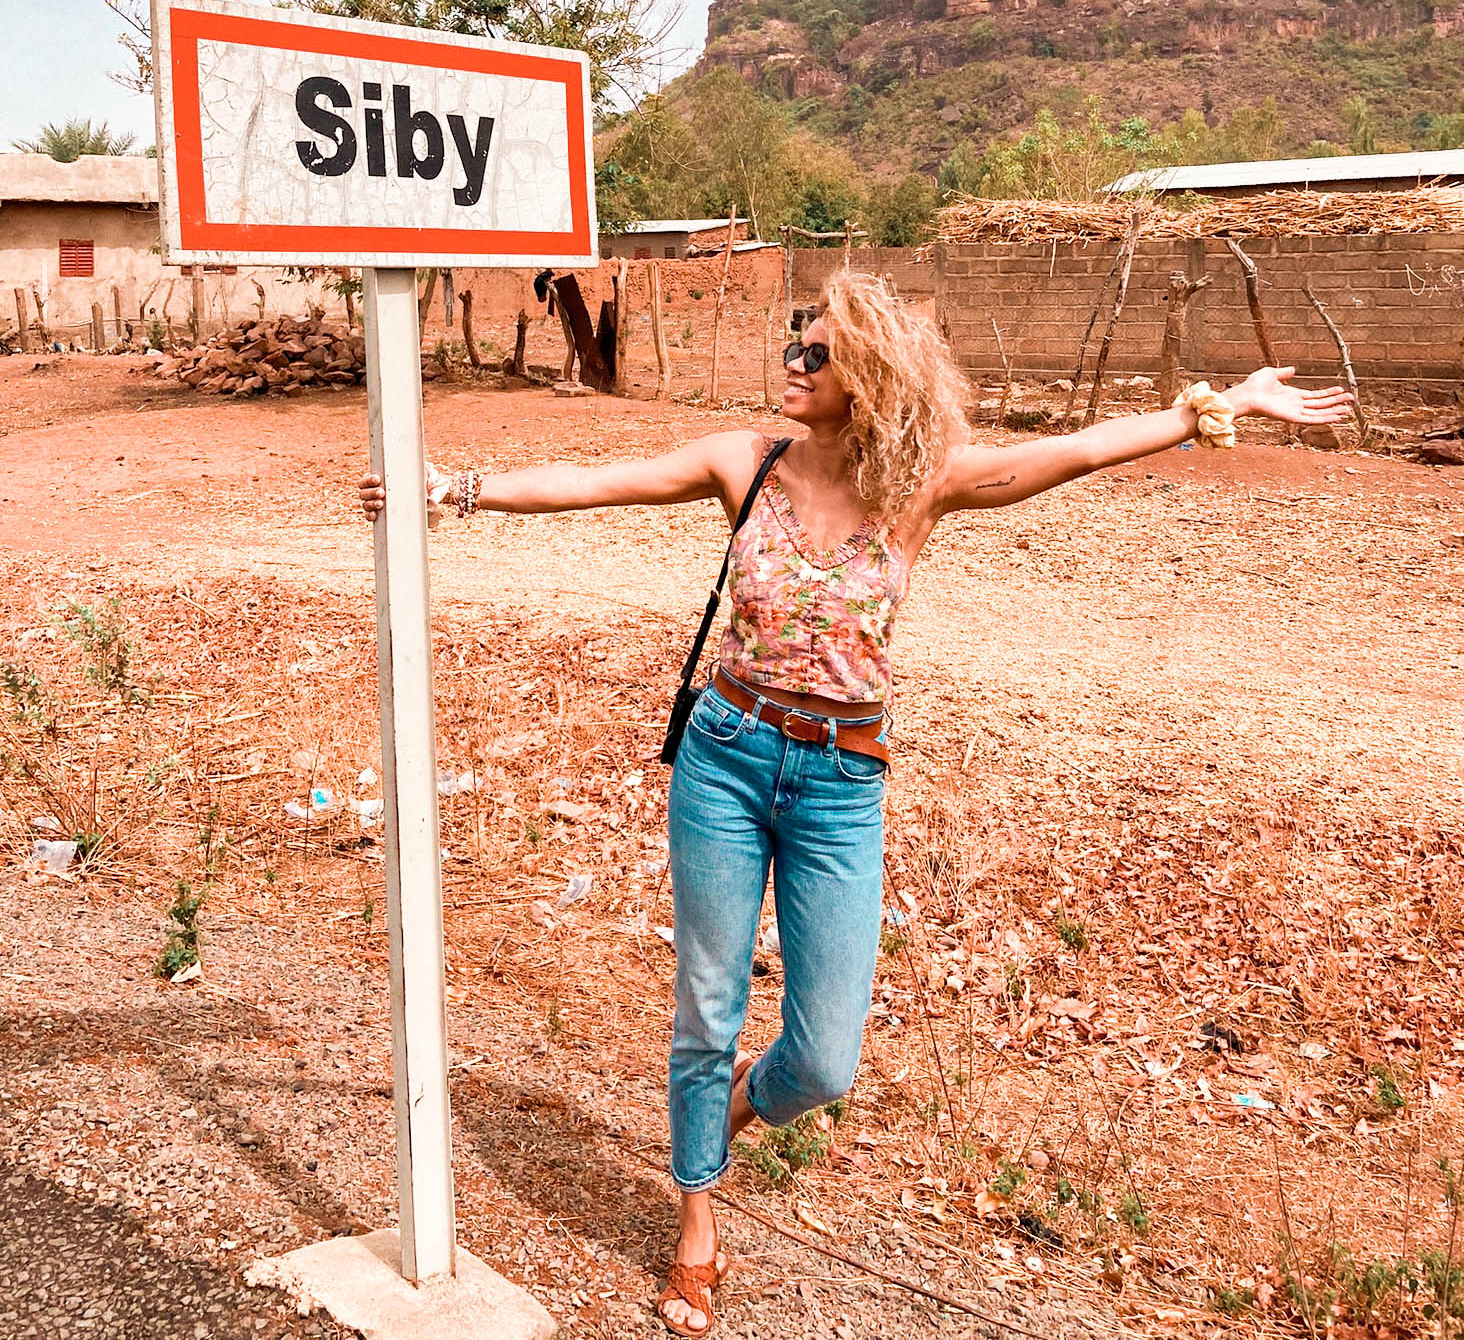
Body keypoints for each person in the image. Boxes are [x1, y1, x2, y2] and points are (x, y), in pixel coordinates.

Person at [358, 271, 1350, 1334]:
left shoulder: (923, 483)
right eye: (795, 341)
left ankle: (730, 1103)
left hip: (840, 778)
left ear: (867, 376)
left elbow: (1073, 450)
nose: (793, 360)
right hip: (726, 754)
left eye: (818, 353)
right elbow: (607, 479)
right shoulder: (749, 459)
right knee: (707, 997)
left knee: (825, 1056)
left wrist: (1219, 406)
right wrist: (452, 488)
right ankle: (697, 1221)